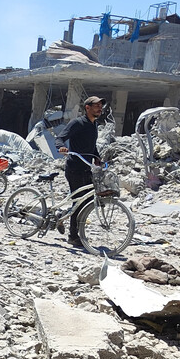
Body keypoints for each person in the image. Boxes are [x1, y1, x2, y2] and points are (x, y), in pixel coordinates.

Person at [56, 95, 105, 247]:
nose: (100, 108)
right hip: (74, 168)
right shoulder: (77, 123)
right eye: (96, 106)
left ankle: (63, 216)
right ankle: (73, 236)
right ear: (87, 107)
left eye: (100, 106)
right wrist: (61, 148)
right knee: (79, 202)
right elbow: (60, 138)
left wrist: (97, 157)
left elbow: (91, 145)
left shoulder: (93, 125)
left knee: (89, 200)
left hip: (86, 168)